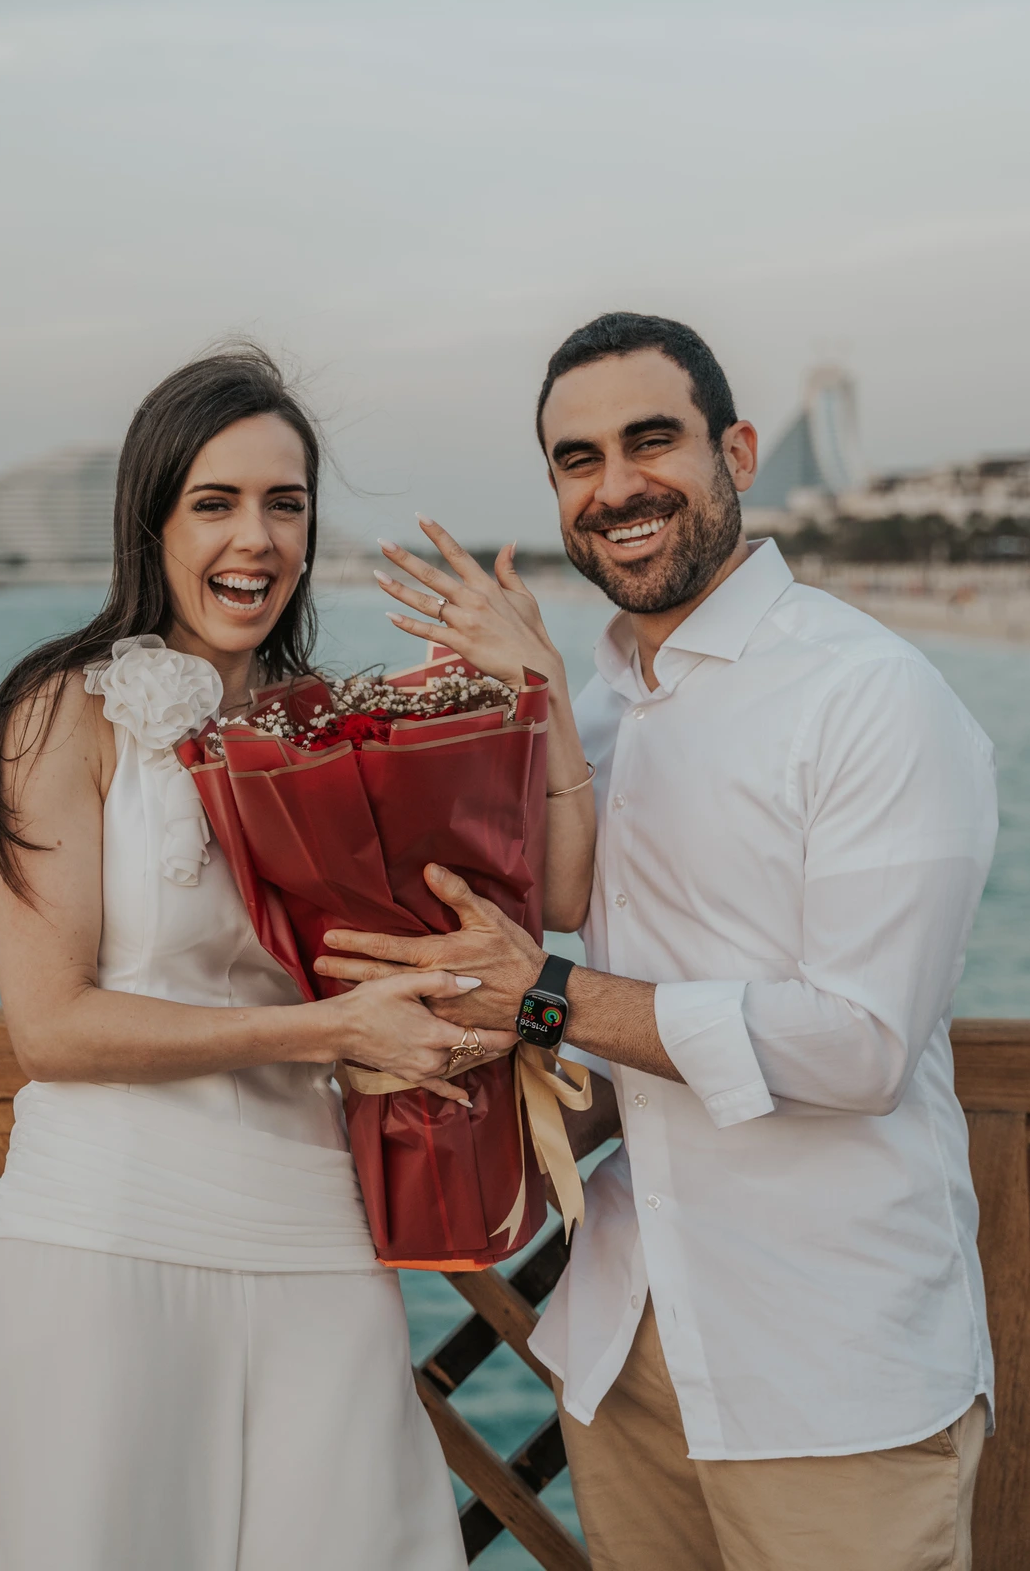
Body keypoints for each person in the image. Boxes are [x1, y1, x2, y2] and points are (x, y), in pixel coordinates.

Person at [317, 312, 999, 1571]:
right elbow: (497, 904)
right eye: (578, 459)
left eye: (651, 442)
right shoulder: (593, 710)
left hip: (827, 1368)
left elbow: (857, 1048)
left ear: (736, 450)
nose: (616, 485)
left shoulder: (870, 696)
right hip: (627, 1344)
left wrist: (545, 1001)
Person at [0, 345, 496, 1571]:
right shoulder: (60, 709)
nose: (252, 539)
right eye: (214, 502)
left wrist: (529, 700)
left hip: (319, 1231)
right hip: (108, 1241)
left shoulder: (331, 730)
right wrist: (330, 1035)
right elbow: (50, 1027)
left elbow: (477, 923)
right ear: (151, 520)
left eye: (284, 503)